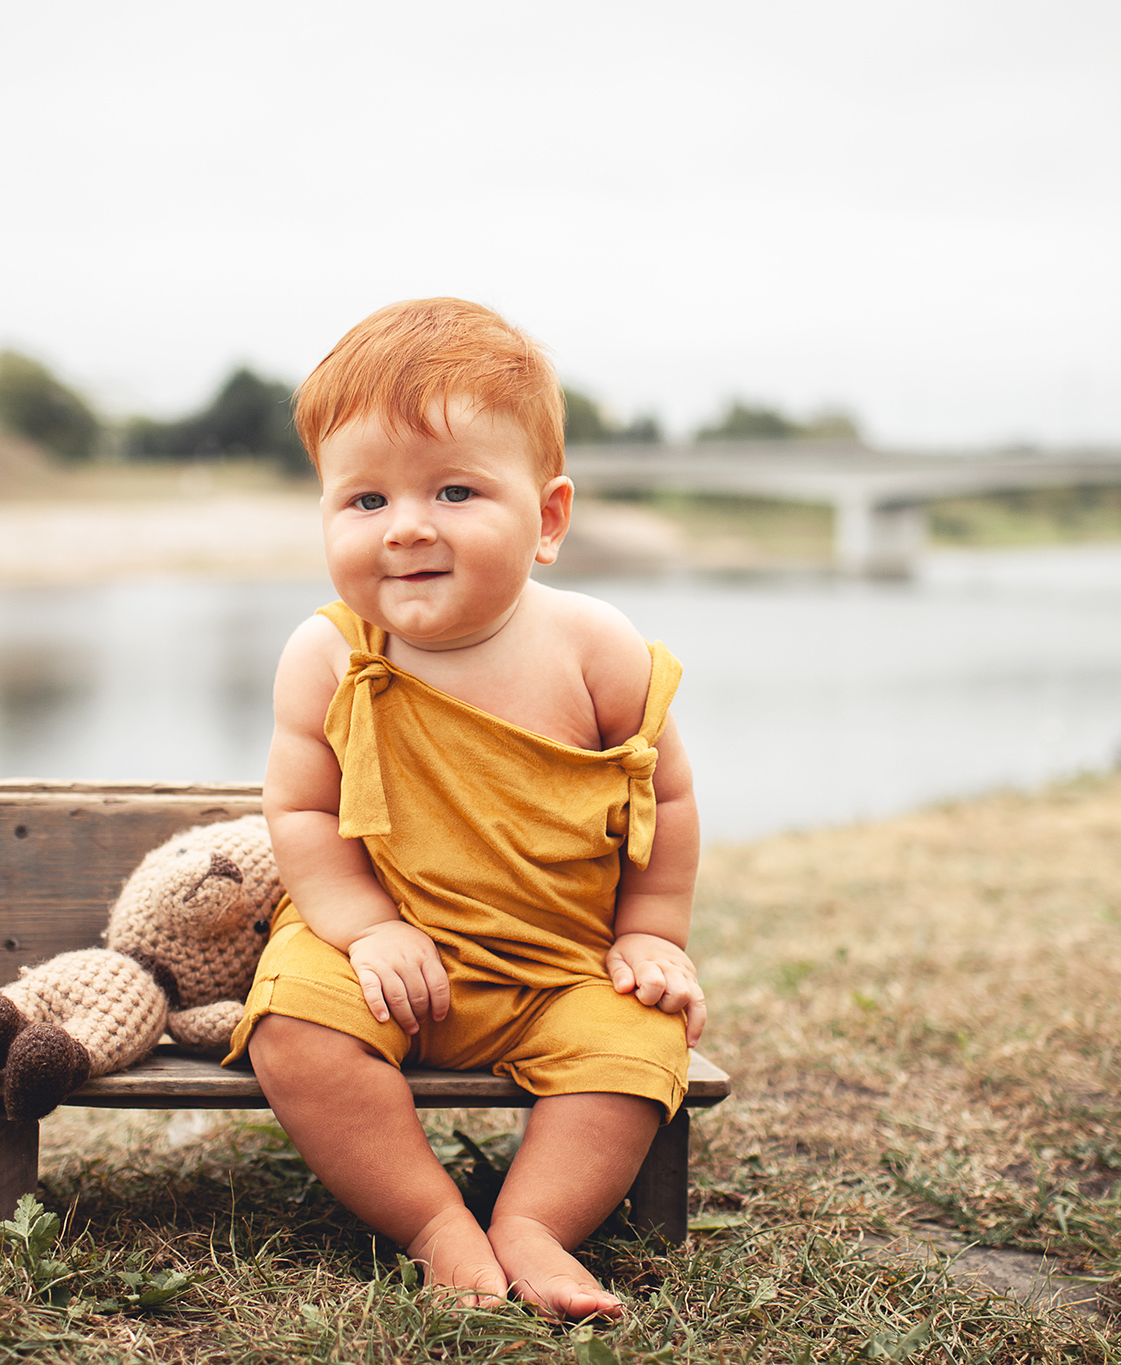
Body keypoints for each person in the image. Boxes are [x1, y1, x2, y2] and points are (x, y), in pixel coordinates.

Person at [222, 297, 705, 1321]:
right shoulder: (330, 655)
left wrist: (651, 934)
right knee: (291, 1028)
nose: (404, 527)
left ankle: (532, 1223)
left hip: (552, 964)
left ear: (548, 518)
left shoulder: (593, 646)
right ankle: (433, 1222)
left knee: (637, 1045)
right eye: (362, 501)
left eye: (453, 490)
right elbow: (301, 813)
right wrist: (363, 927)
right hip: (381, 955)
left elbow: (664, 792)